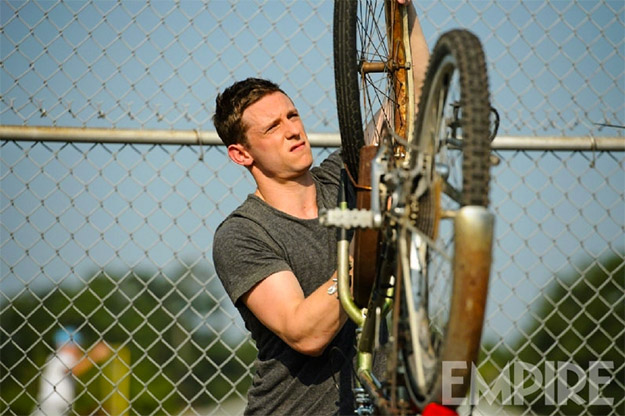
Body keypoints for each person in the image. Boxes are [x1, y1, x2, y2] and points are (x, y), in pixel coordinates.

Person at [212, 4, 429, 415]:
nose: (293, 129)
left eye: (292, 115)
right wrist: (368, 244)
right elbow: (305, 332)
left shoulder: (347, 176)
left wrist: (404, 15)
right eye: (273, 127)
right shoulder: (242, 234)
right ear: (241, 154)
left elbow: (415, 98)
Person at [34, 327, 111, 416]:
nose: (79, 349)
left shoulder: (55, 358)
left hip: (51, 407)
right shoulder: (63, 356)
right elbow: (73, 370)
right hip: (53, 407)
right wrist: (95, 355)